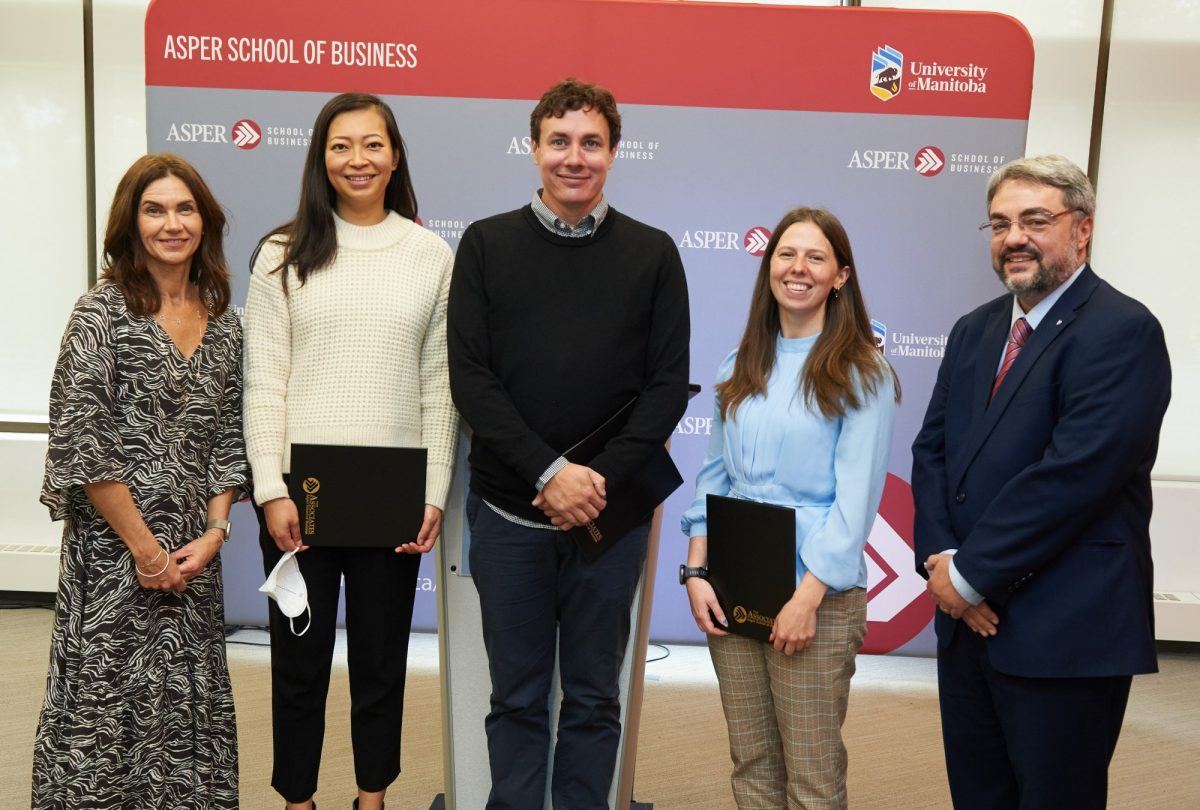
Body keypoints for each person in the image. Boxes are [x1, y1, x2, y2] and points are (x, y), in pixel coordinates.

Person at [447, 77, 690, 808]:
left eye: (590, 142)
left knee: (592, 697)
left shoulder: (653, 255)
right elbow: (472, 380)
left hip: (607, 524)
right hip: (510, 519)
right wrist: (551, 474)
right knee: (516, 697)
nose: (574, 157)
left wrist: (592, 486)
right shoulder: (486, 246)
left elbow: (664, 389)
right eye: (560, 141)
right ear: (534, 149)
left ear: (614, 153)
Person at [911, 155, 1172, 809]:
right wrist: (945, 569)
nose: (1014, 238)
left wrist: (969, 576)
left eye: (1034, 220)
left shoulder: (1122, 330)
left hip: (1064, 632)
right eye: (999, 224)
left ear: (1081, 230)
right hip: (966, 627)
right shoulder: (974, 331)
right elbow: (932, 453)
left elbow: (1076, 476)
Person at [243, 92, 457, 810]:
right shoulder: (281, 254)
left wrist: (432, 491)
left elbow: (438, 387)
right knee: (298, 667)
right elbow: (263, 382)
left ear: (395, 156)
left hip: (391, 496)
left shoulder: (430, 255)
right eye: (341, 146)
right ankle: (297, 801)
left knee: (380, 664)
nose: (357, 159)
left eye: (372, 144)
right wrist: (271, 490)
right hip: (298, 497)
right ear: (321, 158)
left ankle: (373, 798)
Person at [33, 153, 247, 808]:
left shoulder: (226, 323)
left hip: (192, 560)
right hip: (112, 561)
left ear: (204, 222)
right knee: (103, 712)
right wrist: (146, 552)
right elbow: (84, 444)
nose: (171, 223)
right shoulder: (100, 315)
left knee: (188, 716)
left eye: (185, 208)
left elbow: (229, 440)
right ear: (131, 223)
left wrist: (215, 531)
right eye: (155, 209)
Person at [681, 207, 898, 809]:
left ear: (841, 277)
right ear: (769, 267)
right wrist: (697, 571)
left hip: (816, 596)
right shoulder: (740, 362)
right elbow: (713, 477)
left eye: (816, 257)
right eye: (786, 254)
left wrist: (805, 600)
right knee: (751, 761)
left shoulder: (862, 371)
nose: (798, 268)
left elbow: (855, 504)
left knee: (810, 770)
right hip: (734, 581)